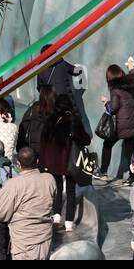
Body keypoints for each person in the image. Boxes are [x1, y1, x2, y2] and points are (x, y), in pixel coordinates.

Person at [0, 146, 57, 260]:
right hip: (45, 238)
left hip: (24, 242)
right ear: (37, 161)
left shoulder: (14, 184)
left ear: (19, 163)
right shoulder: (49, 179)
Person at [38, 87, 92, 230]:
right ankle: (69, 221)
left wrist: (42, 163)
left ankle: (56, 215)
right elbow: (86, 140)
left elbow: (43, 142)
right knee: (71, 191)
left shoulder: (50, 121)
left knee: (57, 188)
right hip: (70, 162)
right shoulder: (74, 120)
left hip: (53, 162)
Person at [99, 59, 134, 185]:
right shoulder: (130, 84)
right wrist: (131, 67)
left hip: (122, 124)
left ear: (109, 77)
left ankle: (103, 172)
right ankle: (132, 178)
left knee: (107, 144)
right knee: (130, 151)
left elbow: (114, 108)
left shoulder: (114, 89)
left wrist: (106, 103)